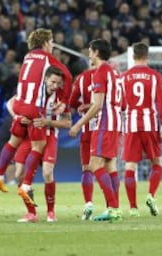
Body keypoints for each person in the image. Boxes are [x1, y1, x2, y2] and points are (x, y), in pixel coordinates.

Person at [0, 28, 72, 205]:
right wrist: (65, 100)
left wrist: (17, 115)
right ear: (45, 43)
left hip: (19, 105)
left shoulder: (27, 57)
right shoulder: (47, 58)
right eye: (51, 42)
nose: (52, 46)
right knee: (39, 145)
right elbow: (67, 74)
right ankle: (26, 185)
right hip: (34, 107)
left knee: (13, 142)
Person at [8, 66, 72, 222]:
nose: (55, 86)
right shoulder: (33, 92)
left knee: (47, 172)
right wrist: (17, 116)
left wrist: (47, 121)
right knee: (19, 174)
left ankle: (51, 212)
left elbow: (68, 123)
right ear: (45, 79)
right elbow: (10, 103)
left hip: (49, 135)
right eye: (52, 82)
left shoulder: (61, 97)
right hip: (30, 135)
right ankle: (31, 213)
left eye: (58, 83)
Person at [69, 39, 122, 222]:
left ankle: (113, 208)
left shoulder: (100, 72)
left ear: (97, 52)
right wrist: (89, 106)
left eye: (90, 51)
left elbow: (99, 105)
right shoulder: (114, 72)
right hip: (116, 121)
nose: (89, 54)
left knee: (93, 165)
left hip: (105, 122)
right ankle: (114, 208)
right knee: (109, 166)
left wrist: (77, 124)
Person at [121, 42, 162, 217]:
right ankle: (150, 195)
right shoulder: (155, 76)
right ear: (147, 57)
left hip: (132, 125)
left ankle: (133, 208)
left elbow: (121, 104)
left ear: (133, 56)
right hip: (150, 125)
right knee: (157, 163)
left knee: (130, 167)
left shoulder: (124, 77)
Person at [69, 66, 97, 220]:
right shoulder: (113, 75)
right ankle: (112, 207)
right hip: (107, 129)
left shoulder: (81, 78)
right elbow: (120, 103)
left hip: (87, 127)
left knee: (87, 168)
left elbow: (72, 103)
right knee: (108, 168)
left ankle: (88, 203)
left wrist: (86, 105)